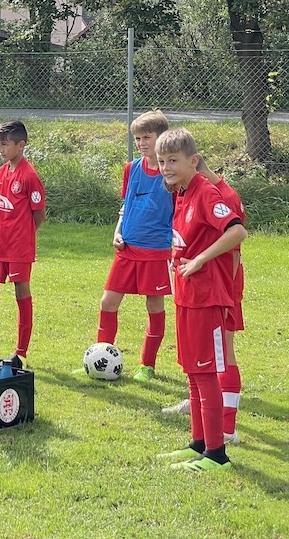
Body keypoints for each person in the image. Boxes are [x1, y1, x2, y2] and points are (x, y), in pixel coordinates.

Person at [154, 129, 246, 473]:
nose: (166, 167)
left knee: (206, 374)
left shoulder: (206, 192)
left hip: (207, 299)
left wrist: (200, 260)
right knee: (192, 371)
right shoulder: (181, 193)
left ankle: (217, 454)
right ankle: (198, 443)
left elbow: (237, 231)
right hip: (187, 296)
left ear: (193, 161)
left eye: (173, 160)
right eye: (161, 161)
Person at [94, 110, 172, 382]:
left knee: (154, 306)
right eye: (137, 138)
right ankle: (100, 360)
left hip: (156, 251)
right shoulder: (131, 169)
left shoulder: (171, 173)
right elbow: (126, 205)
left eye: (146, 137)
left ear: (162, 138)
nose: (141, 143)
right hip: (127, 249)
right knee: (108, 302)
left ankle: (147, 365)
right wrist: (117, 232)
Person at [0, 120, 45, 367]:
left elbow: (39, 213)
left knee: (21, 292)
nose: (1, 149)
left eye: (5, 144)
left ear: (21, 145)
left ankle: (21, 351)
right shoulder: (1, 172)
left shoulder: (29, 176)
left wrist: (24, 235)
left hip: (19, 248)